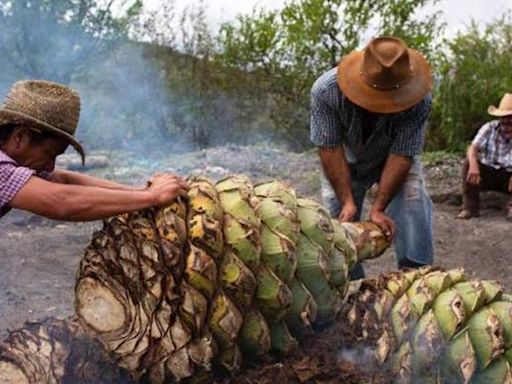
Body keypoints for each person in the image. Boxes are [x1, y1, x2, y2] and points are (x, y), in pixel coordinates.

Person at [310, 36, 434, 279]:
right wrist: (347, 201)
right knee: (339, 225)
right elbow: (329, 149)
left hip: (392, 156)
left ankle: (418, 278)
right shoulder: (326, 91)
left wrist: (378, 208)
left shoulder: (419, 100)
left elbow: (402, 154)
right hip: (346, 159)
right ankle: (351, 283)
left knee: (413, 203)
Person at [0, 79, 188, 221]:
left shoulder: (15, 164)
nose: (49, 167)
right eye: (50, 154)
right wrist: (152, 197)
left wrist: (139, 191)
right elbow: (61, 201)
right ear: (20, 137)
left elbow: (62, 179)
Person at [456, 93, 512, 221]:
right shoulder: (489, 128)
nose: (508, 123)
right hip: (488, 173)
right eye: (506, 118)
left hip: (508, 176)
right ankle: (470, 208)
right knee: (468, 164)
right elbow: (472, 148)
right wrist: (474, 166)